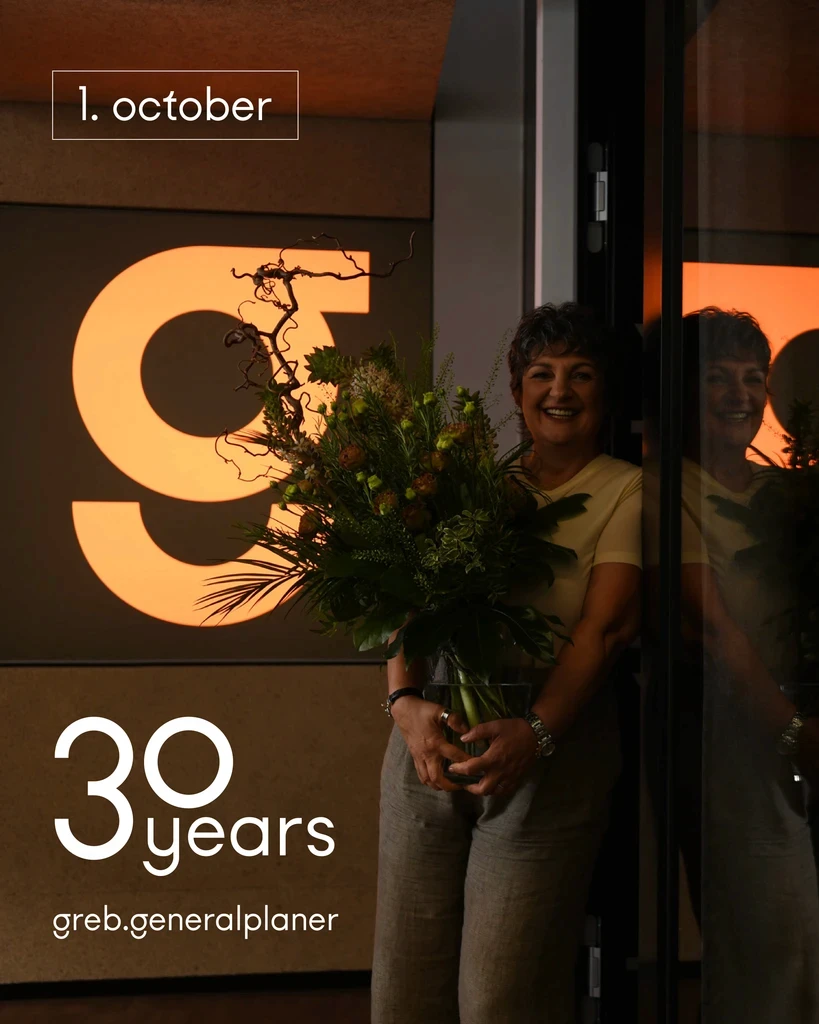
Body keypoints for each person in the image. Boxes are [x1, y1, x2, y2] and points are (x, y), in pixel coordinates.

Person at [370, 302, 642, 1024]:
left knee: (502, 993)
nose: (561, 390)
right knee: (405, 985)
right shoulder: (468, 482)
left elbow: (604, 632)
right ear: (518, 389)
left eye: (581, 374)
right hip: (431, 734)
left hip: (551, 740)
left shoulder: (629, 488)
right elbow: (408, 602)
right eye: (543, 373)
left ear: (605, 392)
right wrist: (403, 705)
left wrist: (538, 733)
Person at [670, 307, 819, 1021]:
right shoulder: (665, 494)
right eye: (716, 377)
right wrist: (796, 735)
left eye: (752, 378)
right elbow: (716, 634)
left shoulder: (786, 494)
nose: (738, 394)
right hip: (730, 742)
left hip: (798, 732)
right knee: (765, 942)